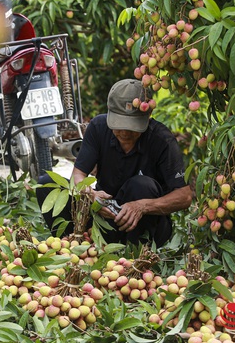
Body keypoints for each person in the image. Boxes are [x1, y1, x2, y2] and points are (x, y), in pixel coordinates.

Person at [37, 79, 193, 247]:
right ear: (110, 113)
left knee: (142, 186)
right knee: (47, 183)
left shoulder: (162, 140)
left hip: (146, 226)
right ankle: (72, 246)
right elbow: (78, 174)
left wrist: (143, 206)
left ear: (147, 116)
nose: (125, 133)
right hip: (103, 220)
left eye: (132, 127)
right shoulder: (98, 127)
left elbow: (184, 196)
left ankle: (134, 256)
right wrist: (90, 195)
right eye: (119, 125)